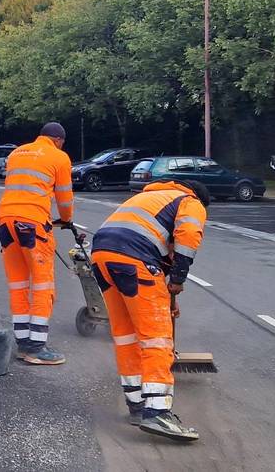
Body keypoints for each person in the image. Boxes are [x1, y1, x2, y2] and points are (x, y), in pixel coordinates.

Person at [89, 178, 210, 441]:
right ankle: (157, 413)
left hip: (101, 257)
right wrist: (177, 280)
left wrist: (167, 293)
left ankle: (136, 405)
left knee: (125, 334)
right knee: (156, 337)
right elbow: (187, 238)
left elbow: (153, 243)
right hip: (135, 261)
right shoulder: (190, 202)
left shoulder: (151, 199)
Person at [0, 122, 75, 365]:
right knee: (42, 285)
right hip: (32, 224)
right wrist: (67, 219)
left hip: (6, 221)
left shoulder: (16, 153)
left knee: (18, 284)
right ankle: (37, 348)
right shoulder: (59, 157)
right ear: (59, 140)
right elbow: (64, 195)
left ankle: (22, 344)